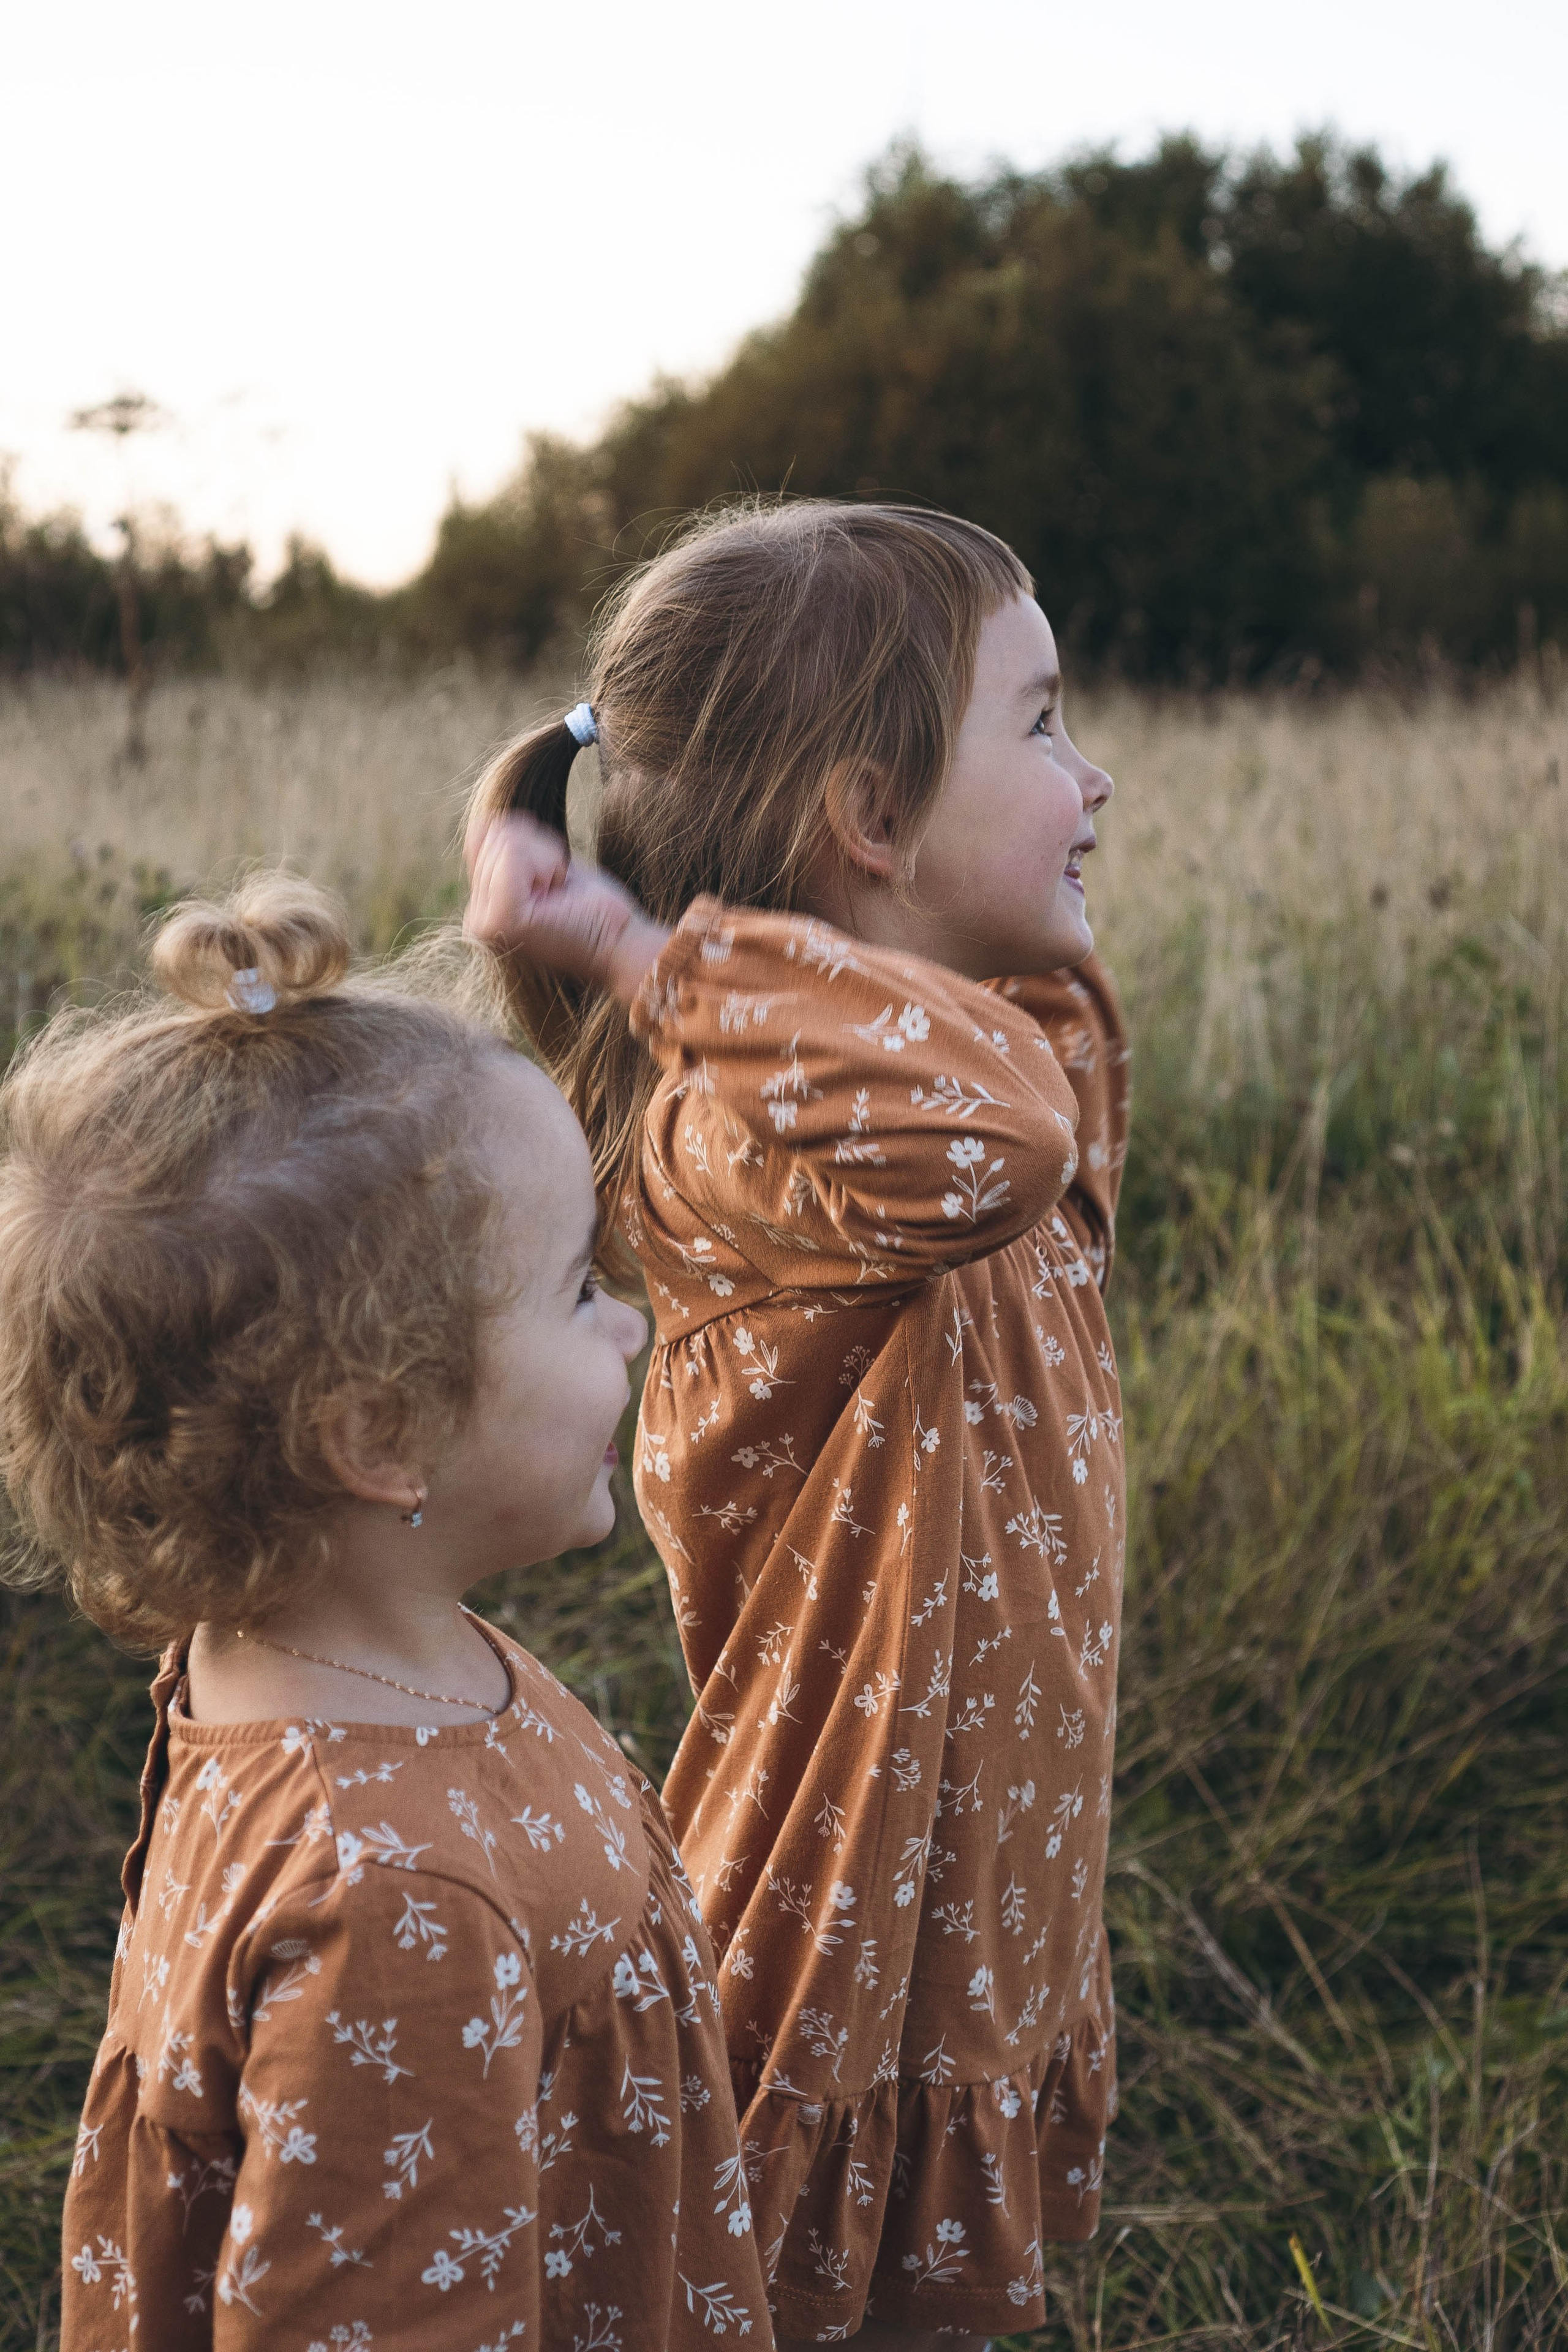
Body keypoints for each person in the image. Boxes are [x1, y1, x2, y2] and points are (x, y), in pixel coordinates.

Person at [464, 500, 1129, 2348]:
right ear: (872, 819)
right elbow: (1004, 1142)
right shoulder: (745, 1134)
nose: (1098, 777)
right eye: (1045, 724)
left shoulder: (953, 1047)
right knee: (789, 2292)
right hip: (848, 1894)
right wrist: (638, 949)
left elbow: (1059, 1074)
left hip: (976, 1859)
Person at [0, 876, 771, 2351]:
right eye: (571, 1292)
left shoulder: (320, 1645)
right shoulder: (395, 1906)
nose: (631, 1318)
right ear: (379, 1438)